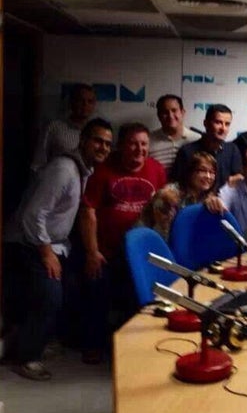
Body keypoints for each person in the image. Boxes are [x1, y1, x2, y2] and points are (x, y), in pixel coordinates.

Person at [2, 118, 113, 380]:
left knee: (76, 286)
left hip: (54, 243)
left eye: (108, 144)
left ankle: (39, 339)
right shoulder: (63, 169)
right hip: (28, 242)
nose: (103, 147)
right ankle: (27, 357)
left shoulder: (83, 170)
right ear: (83, 141)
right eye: (98, 141)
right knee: (51, 295)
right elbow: (32, 215)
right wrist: (46, 253)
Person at [78, 122, 166, 362]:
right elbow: (88, 211)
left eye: (144, 144)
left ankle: (130, 349)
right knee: (98, 299)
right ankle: (94, 345)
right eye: (133, 143)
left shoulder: (157, 170)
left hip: (138, 254)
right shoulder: (103, 170)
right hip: (105, 251)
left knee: (135, 301)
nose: (139, 149)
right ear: (121, 146)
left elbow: (164, 210)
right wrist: (92, 251)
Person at [139, 152, 218, 240]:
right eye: (202, 171)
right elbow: (163, 237)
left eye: (212, 172)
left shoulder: (207, 197)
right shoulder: (168, 196)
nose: (208, 176)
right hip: (150, 245)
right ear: (190, 172)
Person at [171, 103, 242, 190]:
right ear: (206, 123)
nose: (223, 128)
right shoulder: (187, 151)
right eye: (218, 122)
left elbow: (239, 178)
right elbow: (176, 185)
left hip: (224, 202)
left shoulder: (232, 150)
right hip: (194, 202)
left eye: (227, 124)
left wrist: (239, 178)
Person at [31, 83, 97, 172]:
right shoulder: (53, 127)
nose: (85, 105)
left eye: (90, 101)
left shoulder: (97, 132)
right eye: (80, 100)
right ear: (72, 102)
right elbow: (38, 164)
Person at [148, 94, 200, 175]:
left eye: (174, 110)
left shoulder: (197, 139)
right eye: (165, 112)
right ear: (159, 115)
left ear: (182, 113)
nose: (170, 116)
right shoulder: (148, 140)